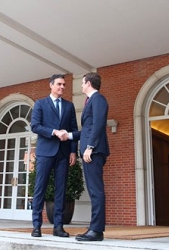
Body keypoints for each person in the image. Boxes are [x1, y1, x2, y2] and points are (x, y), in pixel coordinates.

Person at [30, 74, 78, 238]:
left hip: (63, 154)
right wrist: (54, 132)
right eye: (59, 84)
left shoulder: (69, 106)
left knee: (61, 190)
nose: (62, 87)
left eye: (64, 85)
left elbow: (73, 129)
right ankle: (36, 226)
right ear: (51, 85)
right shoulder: (40, 104)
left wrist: (73, 151)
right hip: (45, 152)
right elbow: (35, 126)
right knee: (40, 189)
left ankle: (58, 227)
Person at [73, 72, 110, 241]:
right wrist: (70, 136)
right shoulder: (91, 101)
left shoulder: (98, 99)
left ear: (88, 83)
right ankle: (95, 227)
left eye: (82, 82)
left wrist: (90, 147)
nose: (80, 85)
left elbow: (99, 124)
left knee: (96, 190)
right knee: (93, 190)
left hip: (93, 151)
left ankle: (96, 231)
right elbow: (87, 129)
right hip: (89, 150)